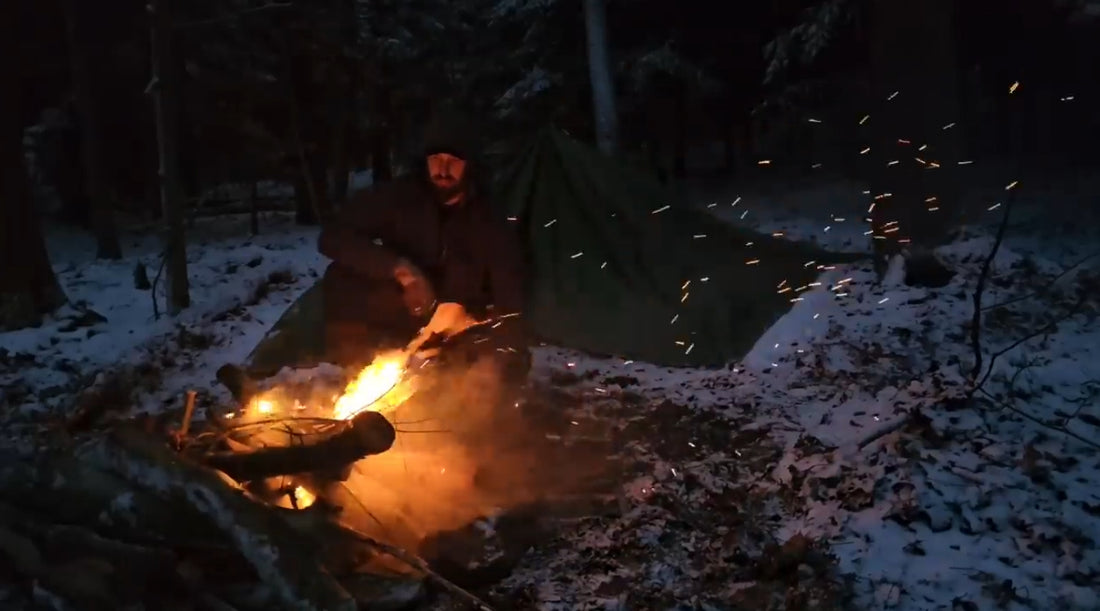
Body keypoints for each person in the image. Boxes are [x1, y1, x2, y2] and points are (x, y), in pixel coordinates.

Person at [317, 108, 528, 379]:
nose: (442, 169)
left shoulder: (490, 217)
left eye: (453, 160)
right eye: (435, 159)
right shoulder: (400, 197)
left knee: (478, 375)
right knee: (341, 277)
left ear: (470, 165)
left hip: (457, 330)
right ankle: (350, 367)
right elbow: (332, 237)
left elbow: (509, 297)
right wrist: (400, 269)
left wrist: (479, 326)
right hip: (400, 315)